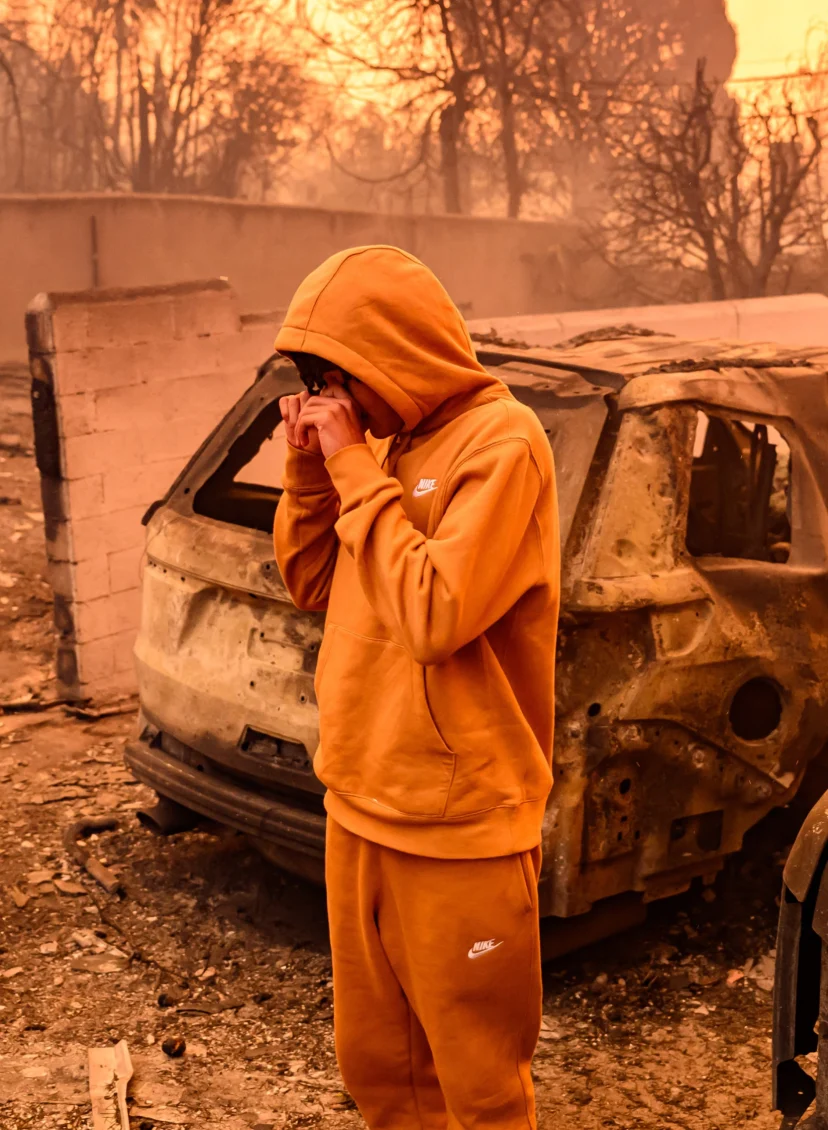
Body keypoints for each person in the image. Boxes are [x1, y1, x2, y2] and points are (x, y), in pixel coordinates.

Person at [272, 245, 560, 1130]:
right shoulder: (388, 445)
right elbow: (312, 582)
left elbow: (434, 614)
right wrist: (311, 472)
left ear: (397, 353)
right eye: (316, 380)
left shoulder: (506, 445)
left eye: (338, 376)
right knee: (380, 1073)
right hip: (360, 803)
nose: (331, 398)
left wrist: (356, 468)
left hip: (462, 829)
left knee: (477, 1086)